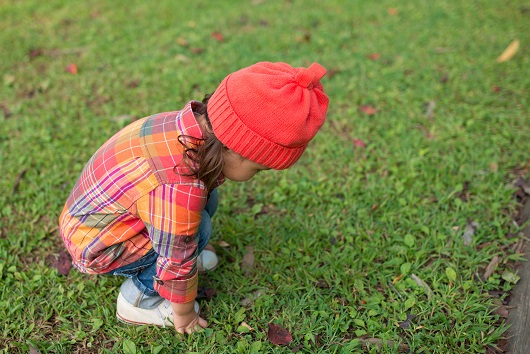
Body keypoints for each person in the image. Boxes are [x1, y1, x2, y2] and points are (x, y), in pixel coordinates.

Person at [58, 61, 329, 334]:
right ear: (237, 148)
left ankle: (159, 270)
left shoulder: (185, 130)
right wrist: (184, 313)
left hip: (96, 219)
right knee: (195, 233)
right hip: (98, 245)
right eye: (258, 169)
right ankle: (137, 300)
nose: (256, 175)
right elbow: (176, 254)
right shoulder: (179, 183)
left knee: (206, 201)